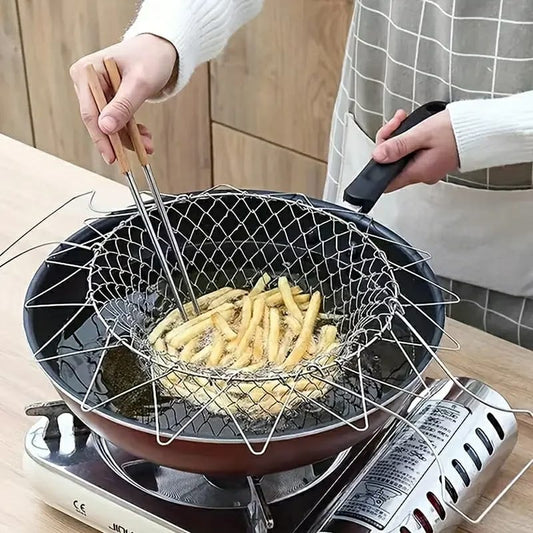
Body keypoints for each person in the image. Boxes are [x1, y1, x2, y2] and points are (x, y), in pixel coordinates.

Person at [70, 0, 533, 350]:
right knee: (353, 324)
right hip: (381, 116)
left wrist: (480, 132)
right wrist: (166, 33)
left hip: (514, 251)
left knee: (496, 374)